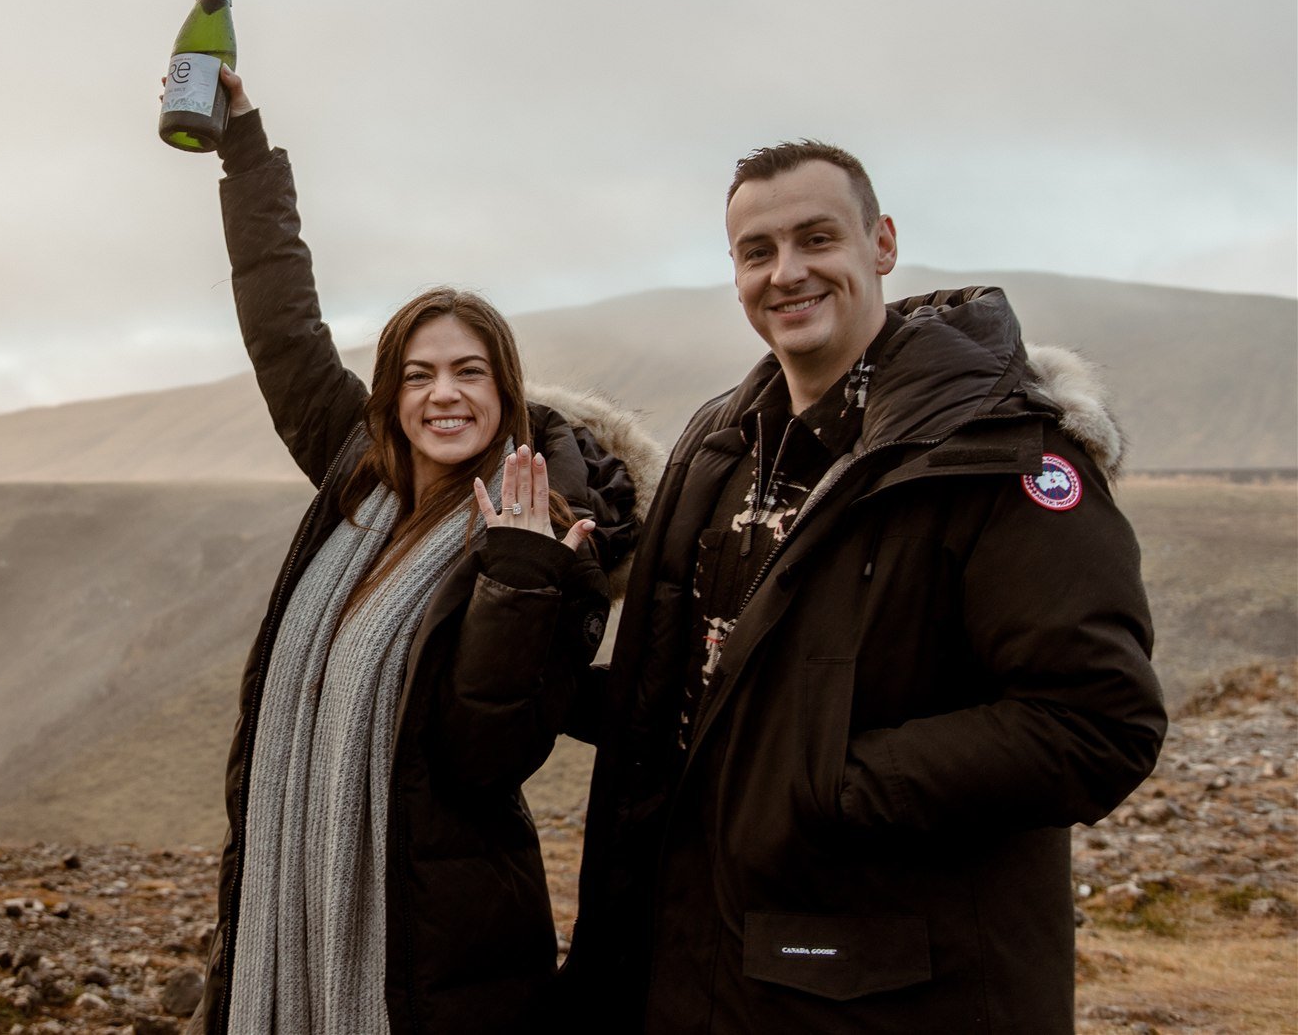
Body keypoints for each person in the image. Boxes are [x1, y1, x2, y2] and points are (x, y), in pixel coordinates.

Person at [559, 141, 1166, 1033]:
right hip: (707, 974)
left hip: (896, 994)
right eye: (757, 251)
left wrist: (824, 783)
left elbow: (1096, 721)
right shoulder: (721, 451)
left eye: (817, 238)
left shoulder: (997, 454)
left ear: (880, 244)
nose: (787, 272)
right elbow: (696, 698)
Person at [185, 69, 664, 1035]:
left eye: (468, 372)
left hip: (438, 955)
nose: (443, 394)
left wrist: (521, 574)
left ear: (507, 393)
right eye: (419, 373)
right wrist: (244, 151)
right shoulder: (361, 476)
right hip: (292, 918)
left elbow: (481, 754)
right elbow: (283, 330)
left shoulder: (554, 532)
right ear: (392, 394)